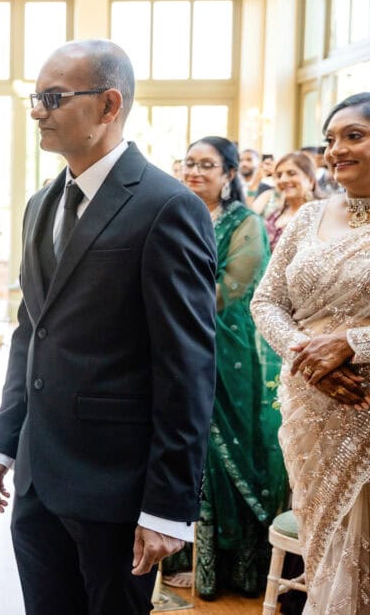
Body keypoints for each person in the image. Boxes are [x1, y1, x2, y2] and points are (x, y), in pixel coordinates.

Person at [0, 40, 217, 615]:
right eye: (35, 98)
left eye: (54, 98)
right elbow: (31, 332)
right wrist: (2, 443)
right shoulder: (40, 204)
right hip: (38, 479)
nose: (38, 111)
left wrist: (167, 506)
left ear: (109, 105)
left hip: (116, 486)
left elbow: (187, 369)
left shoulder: (167, 206)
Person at [252, 92, 370, 613]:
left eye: (354, 136)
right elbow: (265, 301)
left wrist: (352, 344)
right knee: (326, 553)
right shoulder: (308, 218)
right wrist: (310, 358)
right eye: (330, 139)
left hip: (365, 407)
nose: (336, 150)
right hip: (312, 414)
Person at [168, 136, 287, 598]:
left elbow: (229, 288)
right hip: (173, 346)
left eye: (207, 165)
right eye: (190, 163)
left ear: (230, 174)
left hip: (225, 350)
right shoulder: (175, 213)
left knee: (221, 451)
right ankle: (180, 552)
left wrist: (166, 302)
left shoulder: (245, 222)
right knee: (180, 441)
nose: (195, 172)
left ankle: (225, 563)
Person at [261, 152, 319, 251]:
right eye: (279, 175)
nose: (283, 180)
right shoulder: (275, 214)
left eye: (291, 173)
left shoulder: (319, 216)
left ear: (310, 180)